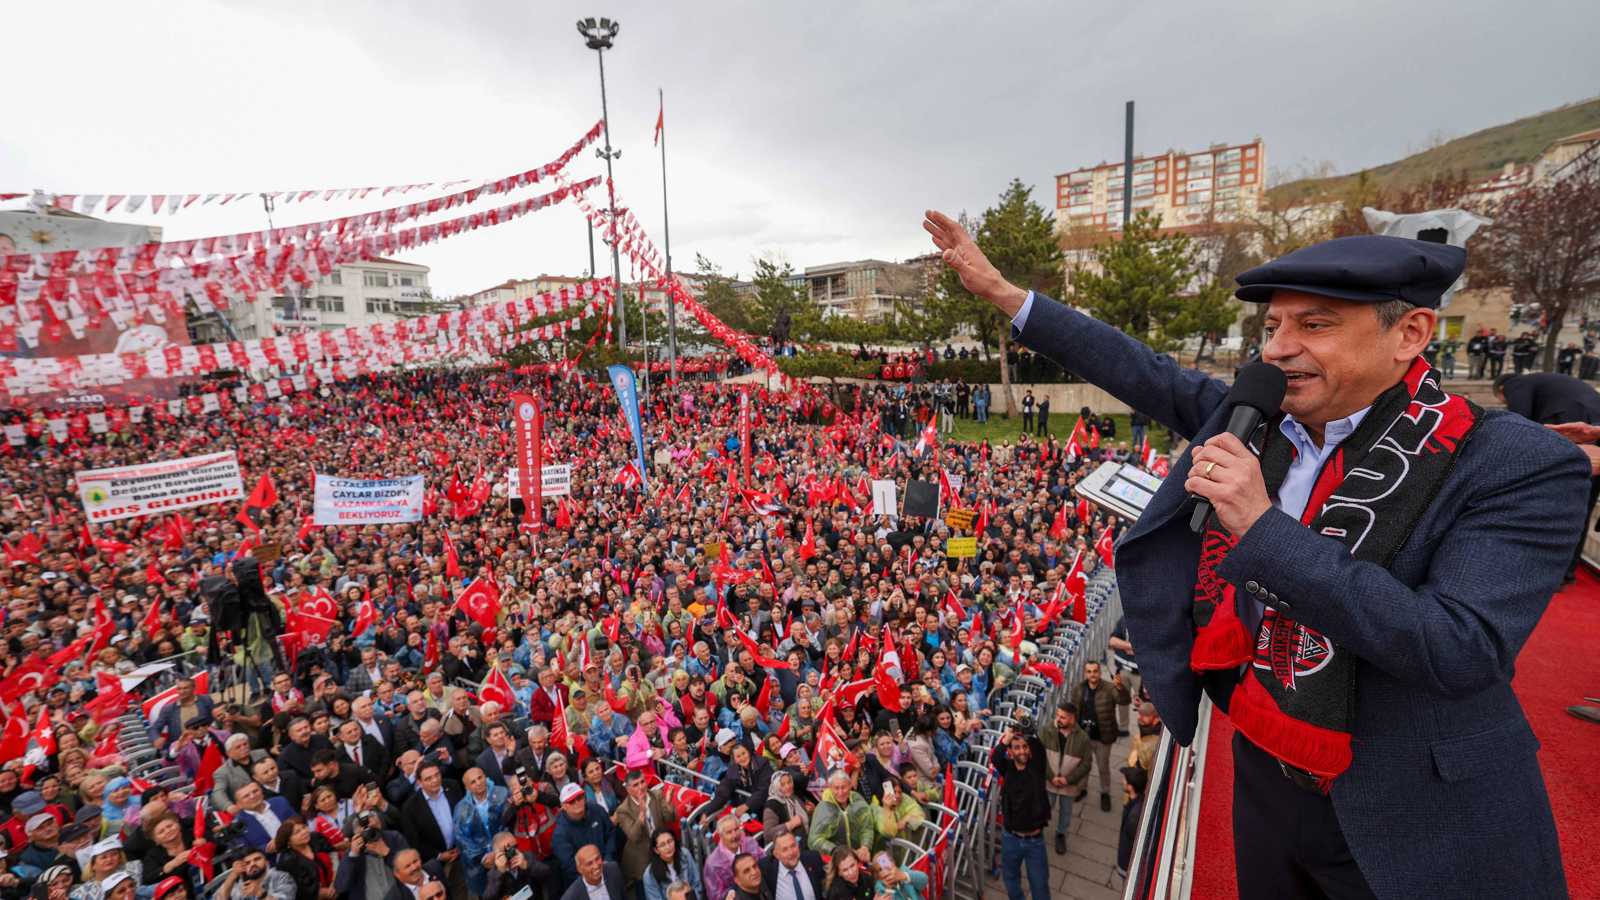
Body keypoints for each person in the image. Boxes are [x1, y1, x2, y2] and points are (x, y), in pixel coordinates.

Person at [927, 210, 1585, 899]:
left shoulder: (1515, 462)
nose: (1277, 348)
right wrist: (1004, 292)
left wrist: (1262, 528)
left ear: (1410, 333)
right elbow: (1135, 366)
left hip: (1416, 811)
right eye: (1272, 326)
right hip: (1267, 776)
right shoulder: (1259, 417)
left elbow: (1457, 648)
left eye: (1315, 324)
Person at [1494, 372, 1600, 583]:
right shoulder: (1550, 382)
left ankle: (1543, 570)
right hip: (1595, 425)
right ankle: (1565, 572)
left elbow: (1518, 421)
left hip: (1568, 420)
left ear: (1501, 390)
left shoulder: (1515, 383)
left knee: (1554, 500)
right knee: (1583, 504)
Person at [988, 725, 1050, 900]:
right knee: (1011, 880)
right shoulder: (1007, 768)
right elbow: (995, 757)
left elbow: (1038, 746)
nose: (1022, 751)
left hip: (1034, 842)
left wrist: (1026, 729)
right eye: (1017, 747)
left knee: (1040, 886)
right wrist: (1007, 739)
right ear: (1011, 751)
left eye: (1024, 747)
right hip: (1011, 838)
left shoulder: (1037, 767)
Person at [611, 771, 678, 891]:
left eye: (642, 782)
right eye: (635, 785)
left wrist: (668, 804)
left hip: (661, 850)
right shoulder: (623, 810)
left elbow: (670, 819)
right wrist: (641, 815)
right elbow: (634, 836)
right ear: (628, 789)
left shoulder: (656, 795)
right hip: (641, 856)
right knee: (646, 891)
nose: (641, 787)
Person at [1038, 701, 1090, 856]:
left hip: (1069, 785)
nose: (1058, 719)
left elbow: (1086, 764)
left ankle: (1061, 834)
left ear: (1073, 719)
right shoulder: (1047, 730)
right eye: (1057, 715)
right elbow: (1039, 755)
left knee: (1066, 812)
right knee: (1045, 808)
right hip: (1049, 781)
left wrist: (1068, 780)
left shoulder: (1083, 738)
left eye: (1063, 717)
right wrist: (1050, 776)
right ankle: (1037, 833)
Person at [1074, 662, 1127, 812]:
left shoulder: (1109, 688)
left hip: (1103, 737)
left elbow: (1124, 701)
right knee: (1083, 765)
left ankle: (1105, 793)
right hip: (1084, 736)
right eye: (1089, 671)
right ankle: (1082, 788)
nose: (1092, 674)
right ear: (1085, 673)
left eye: (1095, 671)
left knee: (1103, 767)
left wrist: (1120, 688)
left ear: (1099, 672)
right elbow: (1074, 710)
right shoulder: (1079, 689)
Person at [701, 815, 762, 900]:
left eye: (736, 829)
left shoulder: (750, 843)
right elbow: (715, 896)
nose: (734, 835)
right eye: (729, 832)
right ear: (721, 836)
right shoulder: (713, 863)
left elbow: (764, 864)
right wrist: (729, 893)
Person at [760, 831, 825, 900]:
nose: (791, 852)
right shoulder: (766, 868)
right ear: (776, 855)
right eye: (785, 849)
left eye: (793, 846)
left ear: (798, 845)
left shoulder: (813, 859)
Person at [642, 828, 703, 900]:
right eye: (662, 845)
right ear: (656, 850)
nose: (668, 847)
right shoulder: (649, 875)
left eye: (670, 841)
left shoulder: (685, 854)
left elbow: (697, 885)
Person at [214, 849, 296, 900]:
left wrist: (260, 894)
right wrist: (233, 875)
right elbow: (219, 898)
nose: (252, 864)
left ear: (267, 862)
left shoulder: (281, 877)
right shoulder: (239, 885)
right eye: (247, 863)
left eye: (257, 859)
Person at [1115, 766, 1148, 881]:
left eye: (1124, 780)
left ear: (1130, 787)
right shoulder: (1139, 801)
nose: (1122, 781)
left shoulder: (1134, 817)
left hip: (1127, 864)